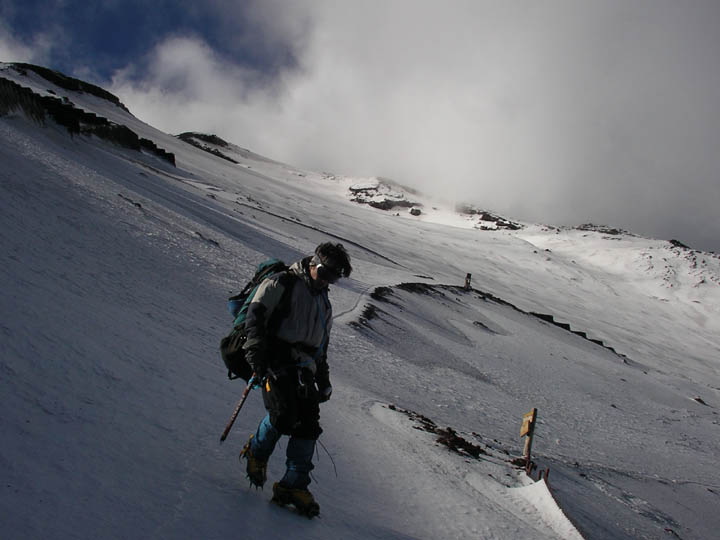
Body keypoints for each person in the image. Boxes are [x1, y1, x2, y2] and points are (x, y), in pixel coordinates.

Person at [239, 242, 352, 517]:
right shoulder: (283, 283)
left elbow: (320, 347)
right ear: (314, 264)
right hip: (276, 358)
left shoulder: (323, 301)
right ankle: (257, 452)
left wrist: (323, 379)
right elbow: (255, 317)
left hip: (304, 368)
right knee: (283, 415)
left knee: (309, 426)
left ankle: (294, 484)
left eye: (334, 277)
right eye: (325, 272)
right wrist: (256, 354)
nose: (328, 280)